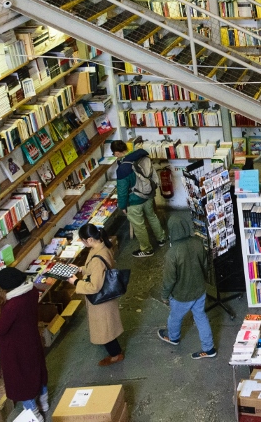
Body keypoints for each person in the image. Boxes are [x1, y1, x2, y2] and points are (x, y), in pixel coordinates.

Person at [0, 267, 49, 420]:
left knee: (22, 380)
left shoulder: (11, 306)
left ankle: (33, 412)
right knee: (37, 370)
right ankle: (44, 401)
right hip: (31, 339)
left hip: (15, 348)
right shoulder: (32, 292)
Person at [157, 213, 217, 359]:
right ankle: (209, 348)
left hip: (182, 295)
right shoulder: (197, 242)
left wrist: (164, 296)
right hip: (199, 290)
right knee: (201, 317)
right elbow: (205, 265)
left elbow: (169, 279)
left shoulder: (172, 253)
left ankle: (173, 337)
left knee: (175, 318)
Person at [68, 224, 125, 366]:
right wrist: (81, 268)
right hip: (106, 295)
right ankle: (115, 351)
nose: (82, 243)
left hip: (101, 301)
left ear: (89, 240)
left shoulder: (97, 258)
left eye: (82, 240)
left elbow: (94, 286)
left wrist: (76, 282)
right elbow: (96, 269)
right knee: (107, 327)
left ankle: (115, 354)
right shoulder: (101, 246)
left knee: (105, 330)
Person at [111, 140, 167, 258]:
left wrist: (122, 206)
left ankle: (147, 249)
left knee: (139, 226)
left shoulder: (123, 169)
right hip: (148, 194)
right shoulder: (140, 154)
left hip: (134, 201)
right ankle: (161, 239)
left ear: (116, 153)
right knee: (152, 217)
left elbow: (122, 191)